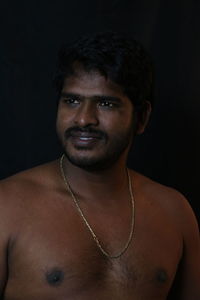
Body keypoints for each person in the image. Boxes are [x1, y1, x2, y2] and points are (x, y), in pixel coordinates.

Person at [0, 31, 199, 300]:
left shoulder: (175, 212)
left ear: (141, 118)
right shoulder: (8, 205)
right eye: (72, 100)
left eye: (105, 103)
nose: (83, 119)